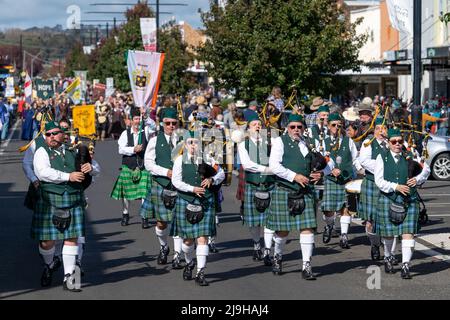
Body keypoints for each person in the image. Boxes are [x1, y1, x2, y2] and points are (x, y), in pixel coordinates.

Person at [32, 121, 96, 292]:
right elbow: (42, 172)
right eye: (48, 134)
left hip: (74, 198)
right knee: (47, 242)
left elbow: (95, 168)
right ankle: (49, 264)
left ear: (62, 134)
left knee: (71, 237)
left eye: (55, 133)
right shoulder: (41, 151)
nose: (51, 137)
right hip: (51, 199)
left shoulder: (74, 149)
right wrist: (69, 176)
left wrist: (91, 167)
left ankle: (69, 277)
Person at [268, 114, 333, 279]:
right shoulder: (280, 142)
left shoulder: (309, 143)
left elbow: (329, 163)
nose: (296, 130)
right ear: (287, 128)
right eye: (293, 127)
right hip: (285, 189)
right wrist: (294, 176)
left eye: (299, 127)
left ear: (304, 128)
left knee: (307, 229)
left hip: (306, 192)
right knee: (283, 231)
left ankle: (306, 265)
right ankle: (277, 256)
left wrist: (321, 173)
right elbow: (274, 166)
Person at [374, 128, 430, 279]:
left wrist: (417, 179)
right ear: (389, 143)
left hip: (410, 200)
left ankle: (406, 265)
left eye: (400, 141)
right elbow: (379, 181)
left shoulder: (411, 155)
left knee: (408, 234)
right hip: (389, 198)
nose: (397, 144)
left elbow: (426, 169)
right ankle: (387, 256)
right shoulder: (382, 157)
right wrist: (396, 186)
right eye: (394, 142)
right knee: (389, 235)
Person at [171, 131, 225, 286]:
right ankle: (189, 262)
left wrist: (211, 179)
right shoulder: (180, 160)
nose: (194, 146)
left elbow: (221, 174)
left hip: (205, 202)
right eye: (190, 142)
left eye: (196, 142)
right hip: (186, 200)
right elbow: (176, 181)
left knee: (203, 238)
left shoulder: (208, 159)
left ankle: (201, 272)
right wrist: (192, 189)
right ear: (185, 145)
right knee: (187, 242)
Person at [145, 108, 184, 268]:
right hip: (161, 184)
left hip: (181, 186)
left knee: (178, 221)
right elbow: (148, 163)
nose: (171, 126)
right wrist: (165, 172)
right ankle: (163, 247)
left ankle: (177, 255)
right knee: (161, 223)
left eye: (174, 123)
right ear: (162, 124)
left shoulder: (184, 140)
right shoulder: (155, 140)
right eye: (167, 123)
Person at [237, 113, 275, 265]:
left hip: (269, 185)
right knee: (254, 223)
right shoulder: (243, 145)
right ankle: (256, 244)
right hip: (252, 185)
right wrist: (266, 169)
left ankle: (267, 251)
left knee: (268, 221)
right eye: (254, 125)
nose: (258, 127)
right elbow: (247, 165)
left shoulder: (270, 143)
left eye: (259, 124)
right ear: (248, 129)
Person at [321, 113, 362, 249]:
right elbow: (320, 162)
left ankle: (344, 235)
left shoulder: (348, 141)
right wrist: (330, 170)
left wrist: (362, 169)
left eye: (339, 125)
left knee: (347, 208)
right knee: (328, 210)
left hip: (347, 179)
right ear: (328, 126)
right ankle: (329, 225)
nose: (337, 127)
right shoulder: (323, 142)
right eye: (334, 125)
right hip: (331, 179)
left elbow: (355, 159)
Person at [110, 107, 151, 227]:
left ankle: (144, 216)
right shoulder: (125, 133)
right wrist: (133, 149)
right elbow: (120, 149)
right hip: (128, 166)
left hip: (143, 166)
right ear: (131, 120)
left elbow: (153, 126)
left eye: (139, 118)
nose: (137, 121)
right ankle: (125, 213)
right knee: (126, 193)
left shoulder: (146, 131)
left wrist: (146, 115)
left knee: (144, 192)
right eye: (135, 119)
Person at [359, 117, 387, 261]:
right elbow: (363, 161)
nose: (381, 132)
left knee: (387, 218)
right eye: (378, 129)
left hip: (388, 186)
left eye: (384, 128)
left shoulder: (393, 143)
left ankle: (388, 250)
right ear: (373, 130)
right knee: (370, 221)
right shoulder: (367, 143)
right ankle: (374, 244)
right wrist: (383, 167)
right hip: (372, 183)